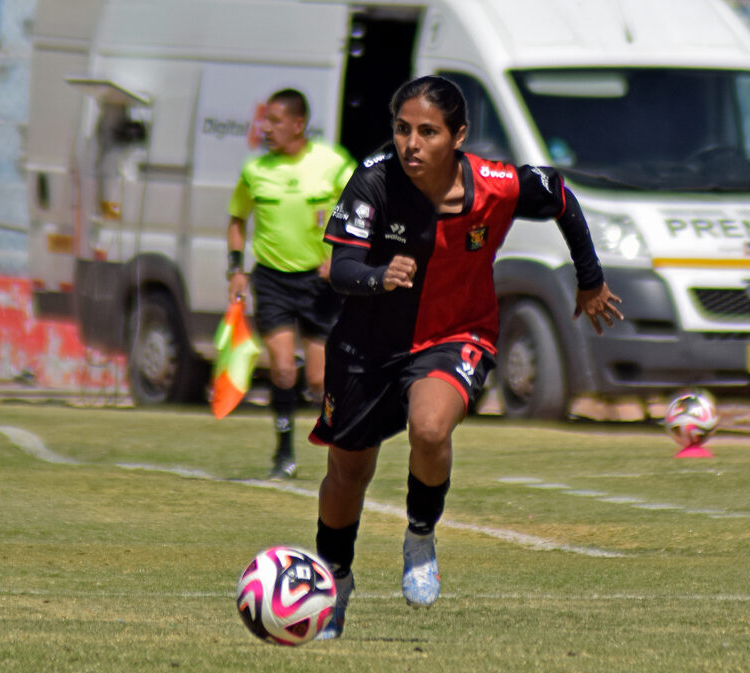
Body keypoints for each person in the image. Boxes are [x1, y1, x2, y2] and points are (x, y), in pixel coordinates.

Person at [308, 75, 624, 639]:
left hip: (456, 335)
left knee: (430, 429)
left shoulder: (498, 185)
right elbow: (341, 270)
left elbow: (559, 196)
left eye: (428, 132)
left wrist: (590, 278)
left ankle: (420, 536)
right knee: (348, 471)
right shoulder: (374, 180)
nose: (411, 143)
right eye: (402, 129)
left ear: (459, 136)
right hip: (365, 347)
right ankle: (334, 583)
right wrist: (380, 276)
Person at [227, 88, 356, 480]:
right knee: (283, 370)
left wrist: (340, 252)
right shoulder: (255, 171)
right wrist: (235, 268)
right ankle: (283, 455)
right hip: (272, 281)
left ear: (298, 124)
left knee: (317, 380)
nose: (265, 128)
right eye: (264, 120)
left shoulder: (332, 163)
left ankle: (345, 443)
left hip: (319, 285)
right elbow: (237, 219)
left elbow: (357, 206)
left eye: (275, 121)